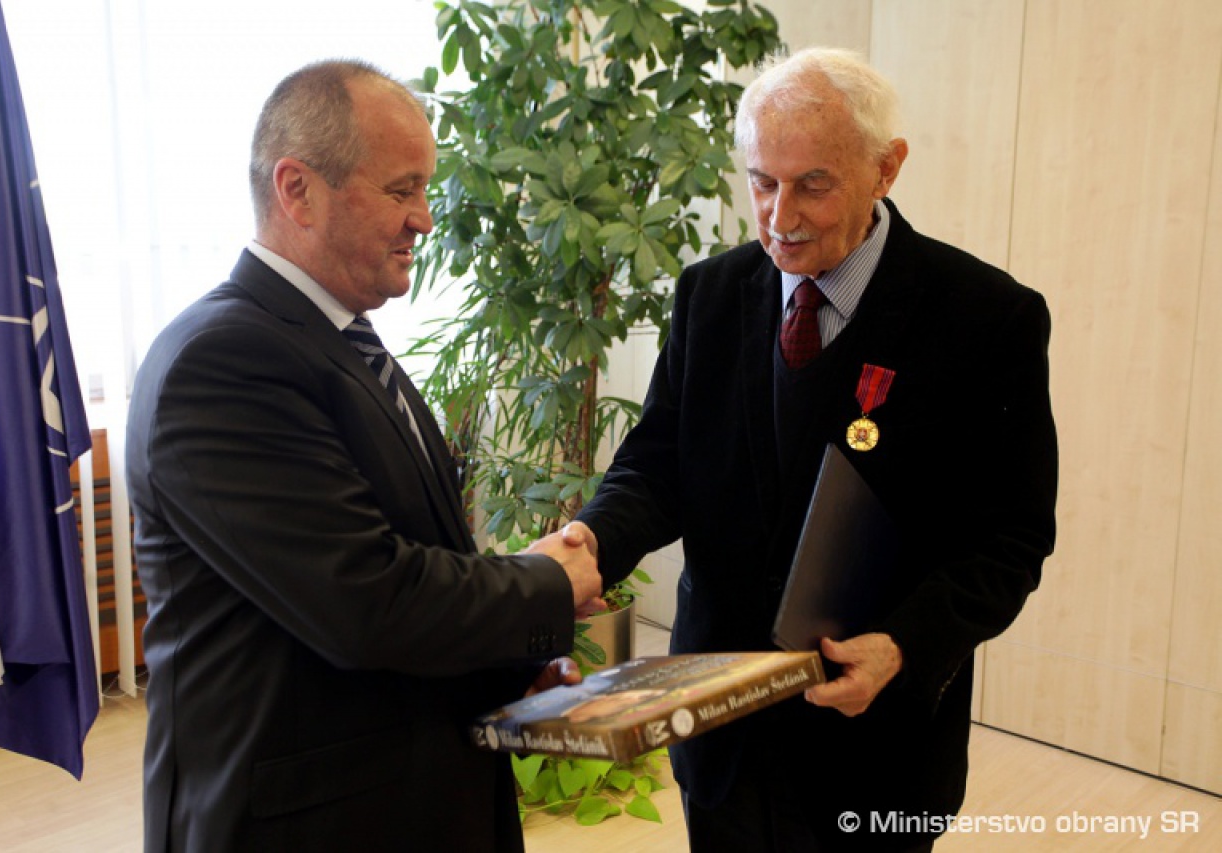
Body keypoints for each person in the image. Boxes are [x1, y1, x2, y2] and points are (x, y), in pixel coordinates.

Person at [570, 47, 1058, 851]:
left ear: (885, 169)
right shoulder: (710, 294)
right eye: (762, 182)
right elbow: (657, 465)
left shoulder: (985, 319)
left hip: (874, 749)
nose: (779, 216)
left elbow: (1011, 538)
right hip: (719, 735)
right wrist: (593, 542)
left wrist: (905, 645)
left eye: (813, 185)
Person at [126, 60, 602, 853]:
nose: (424, 218)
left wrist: (505, 665)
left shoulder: (340, 339)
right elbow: (363, 601)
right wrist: (545, 583)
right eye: (401, 189)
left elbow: (412, 559)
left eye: (426, 189)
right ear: (297, 190)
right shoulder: (222, 361)